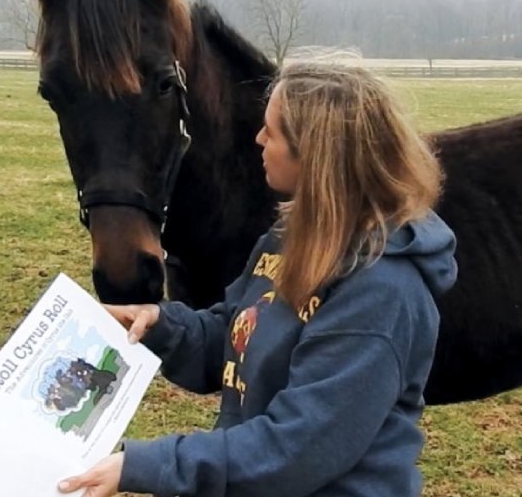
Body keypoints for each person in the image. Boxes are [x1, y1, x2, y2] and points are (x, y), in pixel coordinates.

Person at [58, 62, 458, 497]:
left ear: (314, 153)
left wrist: (147, 465)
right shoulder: (291, 238)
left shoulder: (381, 293)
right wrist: (158, 325)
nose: (259, 139)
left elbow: (296, 449)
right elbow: (239, 333)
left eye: (272, 131)